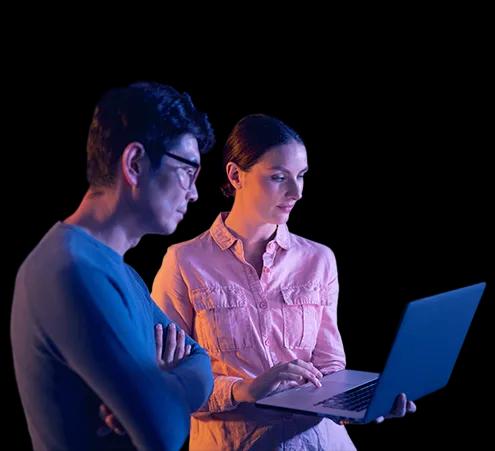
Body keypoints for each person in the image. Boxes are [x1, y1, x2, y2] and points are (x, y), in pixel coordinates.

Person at [151, 114, 416, 450]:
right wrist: (243, 390)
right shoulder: (184, 261)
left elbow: (331, 367)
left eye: (301, 176)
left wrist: (360, 406)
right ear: (235, 176)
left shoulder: (319, 259)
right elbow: (167, 383)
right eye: (278, 177)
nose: (296, 192)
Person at [10, 81, 215, 451]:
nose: (195, 192)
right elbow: (164, 430)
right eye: (188, 170)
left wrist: (159, 387)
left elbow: (203, 363)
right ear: (135, 163)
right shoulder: (70, 269)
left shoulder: (123, 274)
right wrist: (161, 386)